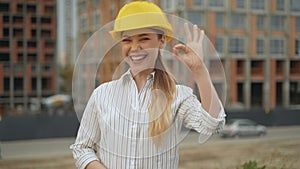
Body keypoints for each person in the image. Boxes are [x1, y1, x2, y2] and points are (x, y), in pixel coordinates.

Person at [70, 1, 226, 169]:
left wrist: (199, 70)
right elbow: (82, 148)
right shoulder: (102, 94)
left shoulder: (178, 95)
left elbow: (212, 125)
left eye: (143, 39)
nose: (134, 47)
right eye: (127, 40)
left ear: (161, 41)